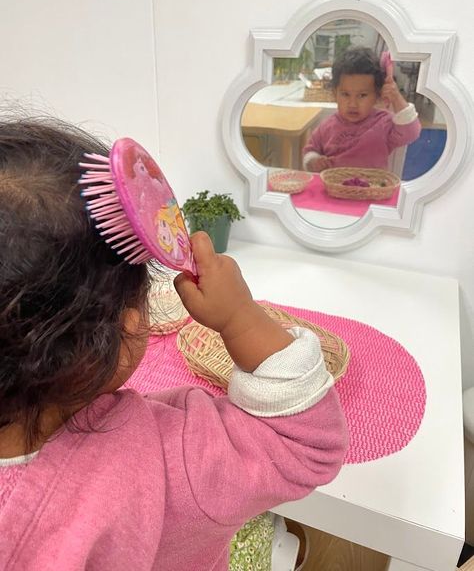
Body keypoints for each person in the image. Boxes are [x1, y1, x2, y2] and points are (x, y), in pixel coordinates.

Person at [0, 118, 348, 570]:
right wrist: (240, 316)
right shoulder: (168, 460)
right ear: (124, 332)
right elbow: (305, 444)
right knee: (265, 531)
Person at [302, 47, 422, 172]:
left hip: (372, 189)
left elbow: (411, 132)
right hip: (333, 187)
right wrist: (314, 161)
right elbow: (310, 151)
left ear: (377, 95)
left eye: (362, 95)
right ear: (334, 94)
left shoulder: (384, 122)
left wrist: (396, 97)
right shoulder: (326, 126)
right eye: (345, 94)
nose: (353, 104)